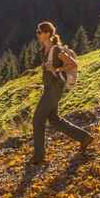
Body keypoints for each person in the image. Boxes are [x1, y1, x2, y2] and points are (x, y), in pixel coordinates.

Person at [29, 21, 92, 168]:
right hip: (48, 88)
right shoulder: (43, 50)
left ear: (47, 34)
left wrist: (57, 69)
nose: (37, 34)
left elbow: (73, 64)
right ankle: (84, 137)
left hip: (55, 88)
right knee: (54, 120)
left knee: (38, 120)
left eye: (39, 32)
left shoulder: (56, 50)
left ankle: (39, 157)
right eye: (37, 32)